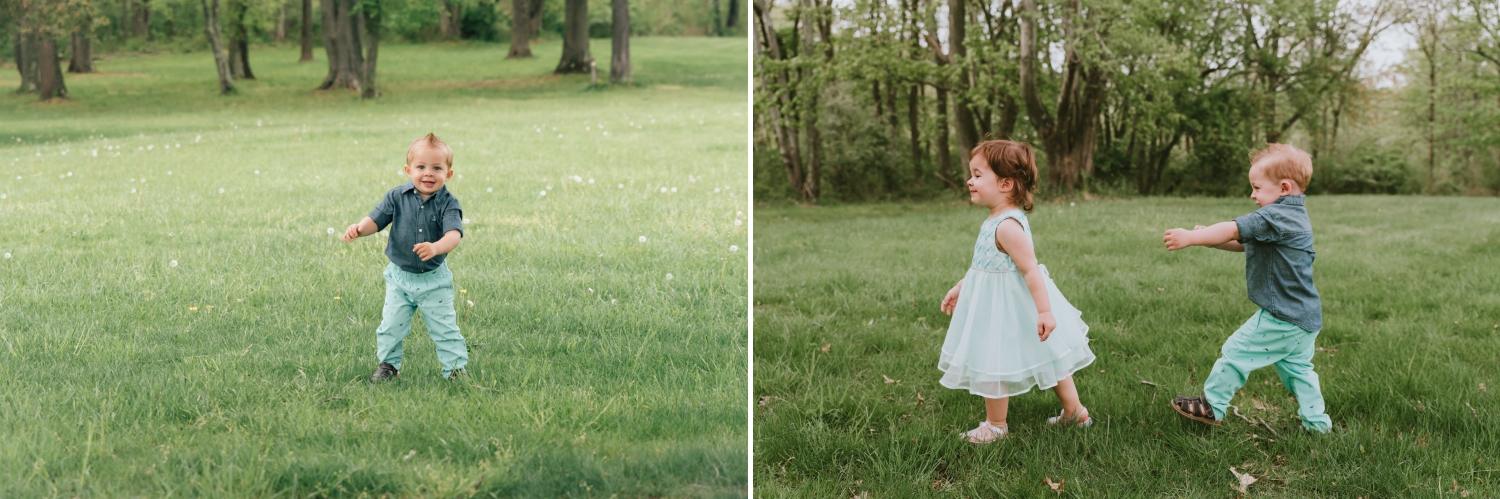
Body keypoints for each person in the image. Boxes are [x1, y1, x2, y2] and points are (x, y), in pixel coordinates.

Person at [1163, 143, 1331, 433]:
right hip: (1305, 317)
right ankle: (1317, 424)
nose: (1252, 195)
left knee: (1236, 352)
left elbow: (1232, 228)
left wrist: (1190, 237)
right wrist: (1208, 239)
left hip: (1282, 316)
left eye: (1256, 187)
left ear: (1284, 187)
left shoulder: (1274, 216)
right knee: (1300, 372)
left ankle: (1212, 406)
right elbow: (1240, 243)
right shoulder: (1292, 216)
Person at [938, 140, 1096, 444]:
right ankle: (1075, 412)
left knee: (991, 359)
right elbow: (982, 265)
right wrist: (961, 286)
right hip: (1003, 301)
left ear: (1006, 183)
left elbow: (1031, 270)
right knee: (1049, 357)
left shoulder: (1007, 226)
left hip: (1007, 306)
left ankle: (996, 425)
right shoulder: (995, 219)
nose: (969, 181)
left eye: (978, 174)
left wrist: (1045, 311)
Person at [343, 133, 470, 382]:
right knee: (391, 326)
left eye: (436, 168)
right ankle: (389, 365)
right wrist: (359, 228)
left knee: (444, 328)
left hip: (434, 280)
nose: (428, 174)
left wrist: (436, 247)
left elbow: (454, 235)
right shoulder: (396, 197)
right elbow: (376, 221)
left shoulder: (448, 203)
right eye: (421, 167)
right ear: (408, 170)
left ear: (448, 174)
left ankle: (454, 369)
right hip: (399, 278)